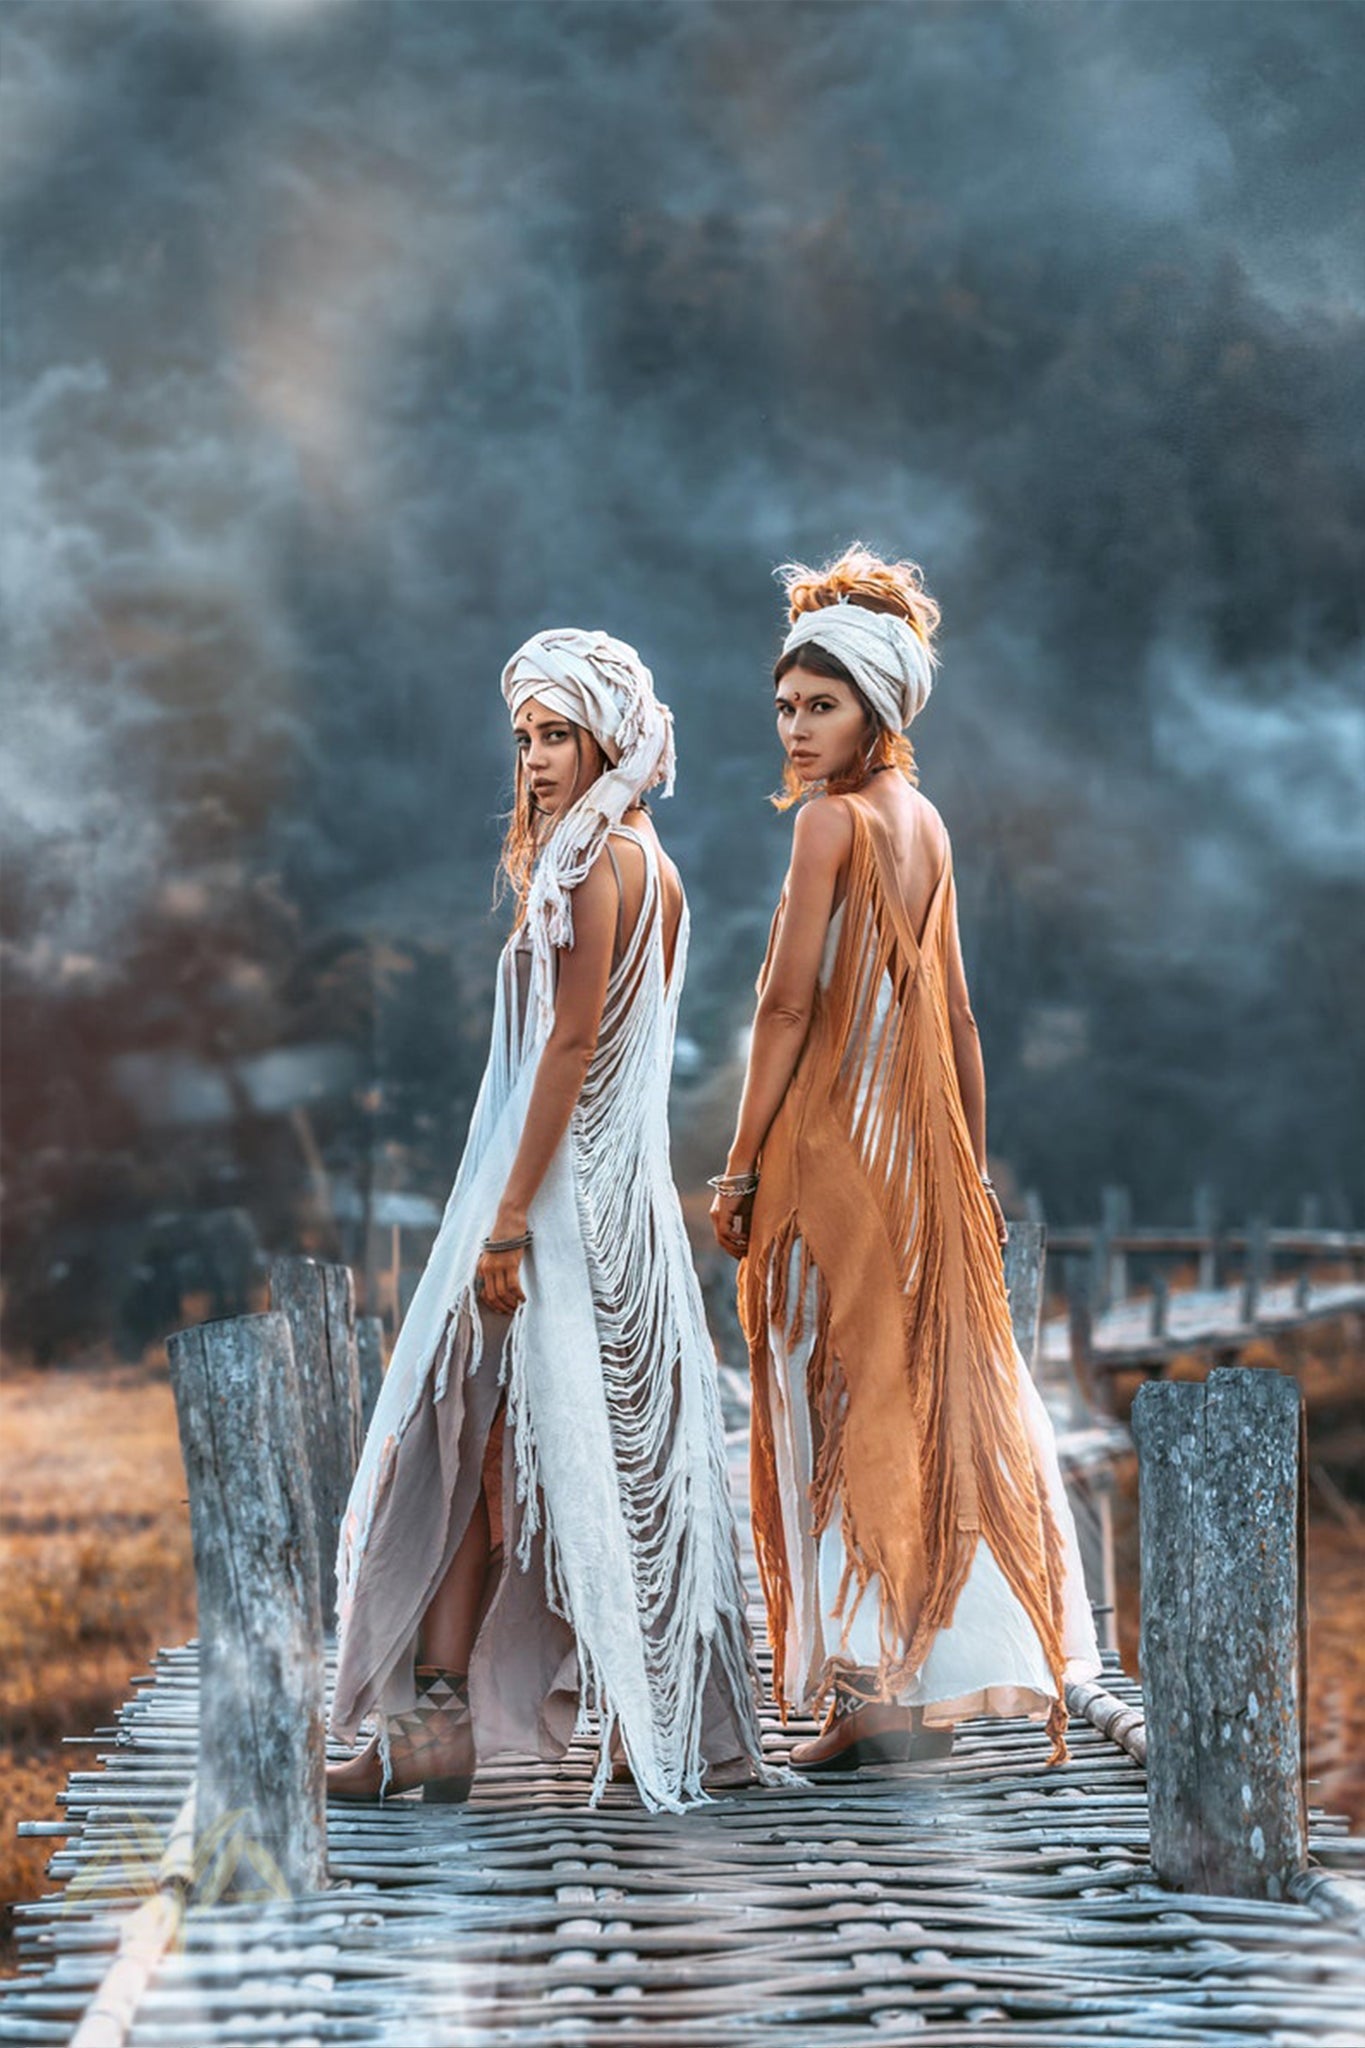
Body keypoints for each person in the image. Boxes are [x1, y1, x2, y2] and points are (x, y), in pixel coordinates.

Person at [327, 627, 770, 1811]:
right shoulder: (652, 859)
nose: (533, 757)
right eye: (524, 735)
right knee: (558, 1450)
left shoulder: (594, 865)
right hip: (623, 1202)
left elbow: (572, 1046)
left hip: (564, 1199)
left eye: (558, 732)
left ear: (610, 734)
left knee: (476, 1436)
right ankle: (580, 1711)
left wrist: (511, 1215)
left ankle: (448, 1716)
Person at [710, 545, 1101, 1771]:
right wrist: (969, 1172)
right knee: (919, 1395)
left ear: (878, 708)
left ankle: (873, 1684)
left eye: (820, 705)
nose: (796, 727)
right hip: (917, 1156)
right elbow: (961, 1016)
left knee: (835, 1394)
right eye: (783, 706)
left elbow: (784, 1008)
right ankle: (907, 1671)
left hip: (834, 1149)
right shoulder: (923, 821)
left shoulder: (831, 824)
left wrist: (735, 1166)